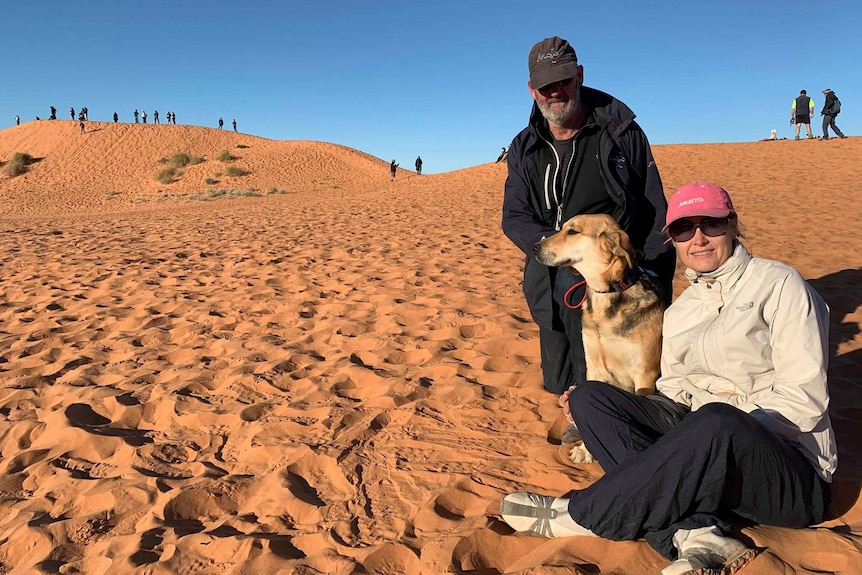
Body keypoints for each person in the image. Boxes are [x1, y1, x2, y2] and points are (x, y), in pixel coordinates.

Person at [500, 181, 836, 575]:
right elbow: (672, 389)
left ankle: (581, 513)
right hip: (707, 465)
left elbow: (805, 398)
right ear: (672, 240)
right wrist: (671, 431)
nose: (698, 239)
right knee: (592, 397)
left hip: (788, 474)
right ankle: (699, 535)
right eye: (683, 230)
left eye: (710, 224)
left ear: (732, 225)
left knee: (716, 419)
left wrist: (708, 436)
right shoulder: (681, 309)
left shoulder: (781, 286)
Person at [502, 36, 676, 397]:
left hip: (610, 279)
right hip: (547, 278)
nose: (555, 92)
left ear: (578, 76)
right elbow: (514, 214)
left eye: (562, 81)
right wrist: (552, 249)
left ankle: (598, 420)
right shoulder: (524, 146)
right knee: (557, 381)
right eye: (545, 85)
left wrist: (656, 277)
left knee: (602, 386)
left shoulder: (620, 132)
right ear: (532, 90)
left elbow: (653, 205)